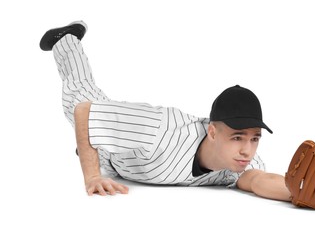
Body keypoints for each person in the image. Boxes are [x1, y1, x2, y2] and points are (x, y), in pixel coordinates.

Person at [39, 21, 292, 202]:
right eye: (237, 137)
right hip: (123, 151)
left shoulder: (238, 163)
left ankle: (91, 144)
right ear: (213, 132)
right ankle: (67, 39)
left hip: (122, 163)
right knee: (80, 94)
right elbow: (85, 112)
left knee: (93, 135)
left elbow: (260, 181)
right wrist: (92, 176)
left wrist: (300, 194)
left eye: (255, 138)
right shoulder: (161, 129)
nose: (247, 149)